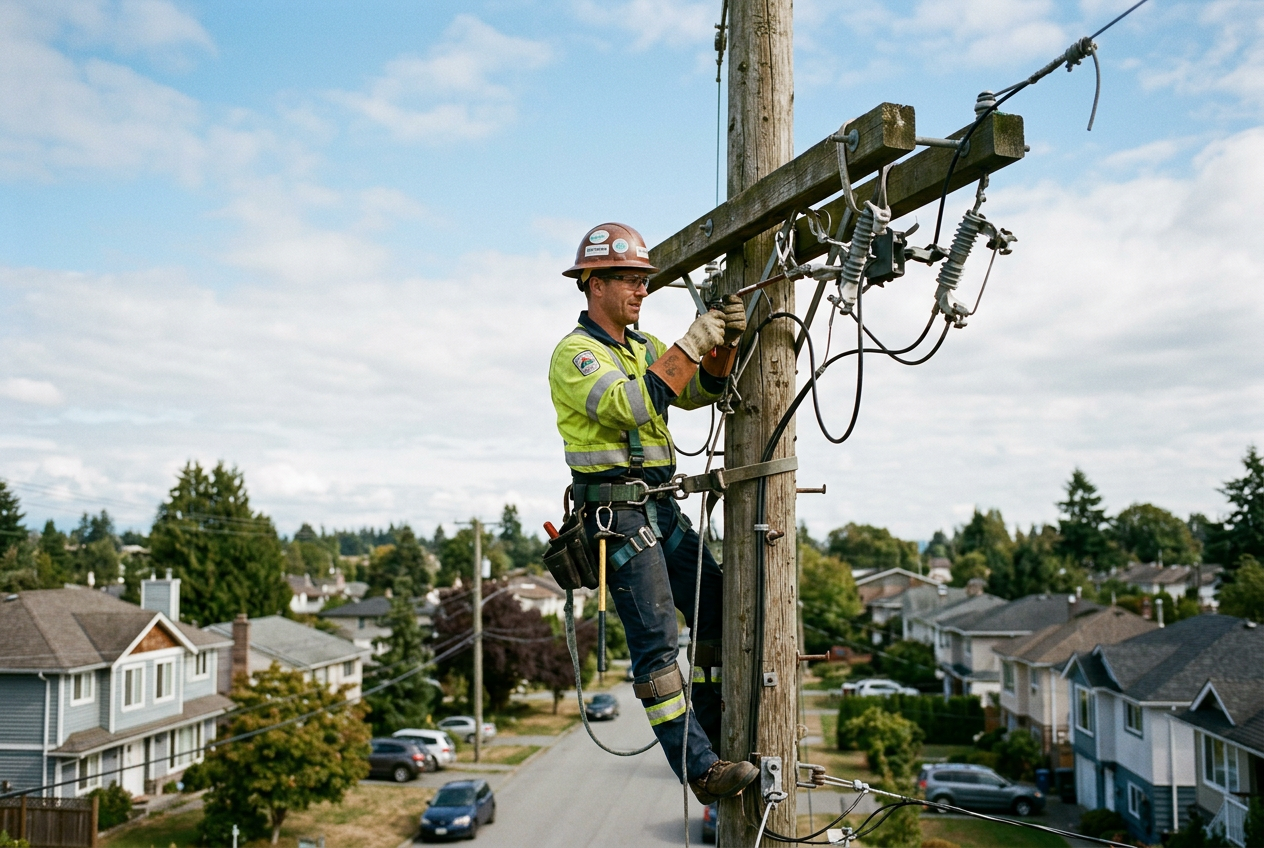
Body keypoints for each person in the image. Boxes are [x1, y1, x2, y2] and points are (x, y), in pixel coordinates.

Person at [548, 222, 757, 803]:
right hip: (617, 519)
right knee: (659, 645)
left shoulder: (641, 347)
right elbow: (631, 405)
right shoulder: (577, 355)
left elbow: (699, 393)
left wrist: (723, 347)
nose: (641, 291)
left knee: (715, 603)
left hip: (660, 511)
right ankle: (700, 770)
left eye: (644, 281)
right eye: (628, 280)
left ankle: (716, 733)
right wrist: (691, 343)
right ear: (593, 283)